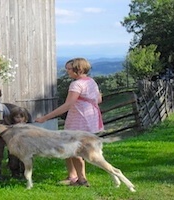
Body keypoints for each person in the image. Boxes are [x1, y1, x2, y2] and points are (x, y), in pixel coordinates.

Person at [35, 57, 103, 187]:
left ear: (79, 69)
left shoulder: (76, 84)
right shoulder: (91, 81)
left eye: (69, 69)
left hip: (79, 120)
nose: (67, 72)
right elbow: (98, 100)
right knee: (67, 147)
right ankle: (73, 176)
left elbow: (68, 105)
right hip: (89, 119)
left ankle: (82, 180)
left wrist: (45, 118)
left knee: (75, 150)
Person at [7, 106, 30, 179]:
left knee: (25, 162)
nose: (19, 119)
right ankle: (14, 174)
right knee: (13, 162)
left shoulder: (28, 127)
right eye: (17, 117)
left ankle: (25, 174)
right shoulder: (11, 127)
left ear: (25, 118)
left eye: (21, 117)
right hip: (13, 147)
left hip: (25, 148)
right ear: (12, 118)